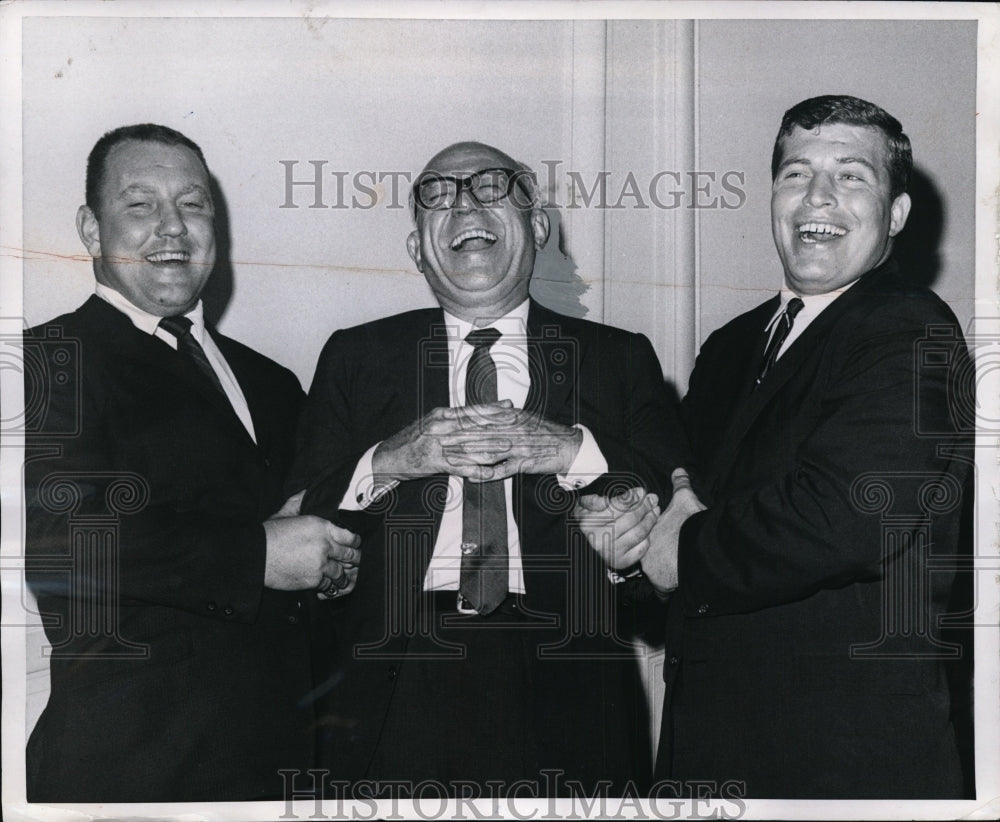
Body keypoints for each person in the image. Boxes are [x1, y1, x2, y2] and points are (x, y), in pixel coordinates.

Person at [577, 95, 974, 798]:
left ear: (898, 214)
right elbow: (685, 516)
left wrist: (677, 553)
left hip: (845, 762)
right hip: (707, 751)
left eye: (851, 176)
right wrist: (630, 552)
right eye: (796, 174)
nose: (817, 196)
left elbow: (841, 514)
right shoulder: (730, 345)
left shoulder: (911, 331)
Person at [288, 141, 685, 797]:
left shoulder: (620, 359)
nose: (464, 202)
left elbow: (679, 533)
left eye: (490, 187)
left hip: (568, 678)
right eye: (439, 196)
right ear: (418, 249)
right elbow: (298, 530)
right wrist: (388, 461)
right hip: (393, 681)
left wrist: (571, 452)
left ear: (537, 226)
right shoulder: (354, 358)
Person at [23, 123, 361, 802]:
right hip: (132, 773)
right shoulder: (43, 360)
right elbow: (63, 543)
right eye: (141, 205)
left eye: (194, 204)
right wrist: (256, 556)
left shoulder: (273, 382)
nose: (172, 228)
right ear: (92, 229)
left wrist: (334, 568)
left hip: (283, 765)